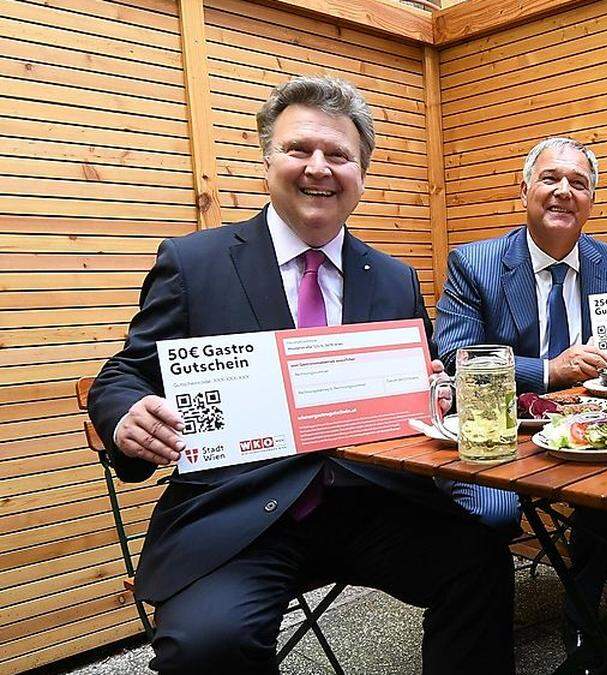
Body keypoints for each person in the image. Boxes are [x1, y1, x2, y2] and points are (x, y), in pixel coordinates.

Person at [87, 76, 513, 674]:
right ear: (267, 161)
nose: (319, 168)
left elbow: (418, 394)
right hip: (242, 512)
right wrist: (125, 414)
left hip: (372, 501)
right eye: (299, 150)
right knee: (210, 643)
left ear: (361, 173)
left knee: (482, 561)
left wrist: (434, 392)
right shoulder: (196, 262)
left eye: (339, 155)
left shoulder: (394, 278)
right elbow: (124, 375)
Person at [432, 137, 607, 669]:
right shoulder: (473, 263)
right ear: (523, 189)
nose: (564, 192)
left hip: (583, 429)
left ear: (592, 200)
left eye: (579, 183)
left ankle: (582, 612)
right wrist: (549, 370)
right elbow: (454, 354)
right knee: (494, 513)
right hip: (497, 428)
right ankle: (481, 628)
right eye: (550, 179)